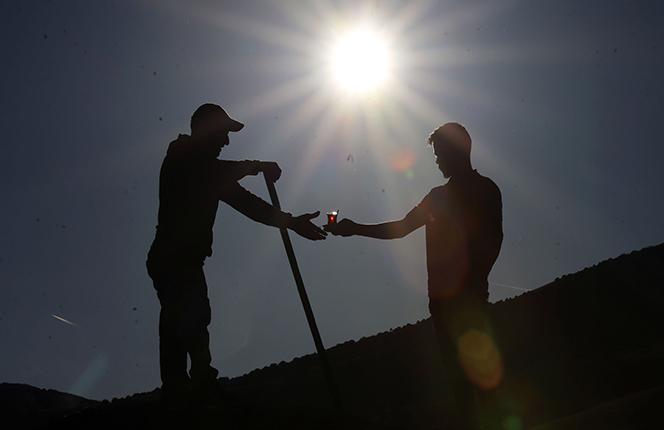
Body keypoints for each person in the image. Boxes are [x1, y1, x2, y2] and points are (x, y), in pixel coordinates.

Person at [146, 103, 327, 407]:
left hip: (182, 259)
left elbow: (249, 204)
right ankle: (194, 390)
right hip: (173, 258)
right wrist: (256, 166)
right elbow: (214, 173)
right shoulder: (182, 157)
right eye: (223, 134)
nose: (226, 142)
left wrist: (291, 222)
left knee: (184, 321)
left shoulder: (206, 170)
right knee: (189, 319)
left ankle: (186, 391)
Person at [325, 122, 503, 428]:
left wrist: (474, 281)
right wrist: (354, 229)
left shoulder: (479, 191)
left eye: (439, 154)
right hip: (447, 305)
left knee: (478, 382)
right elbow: (402, 228)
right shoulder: (449, 195)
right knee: (465, 385)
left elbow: (494, 239)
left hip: (466, 302)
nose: (437, 161)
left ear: (457, 151)